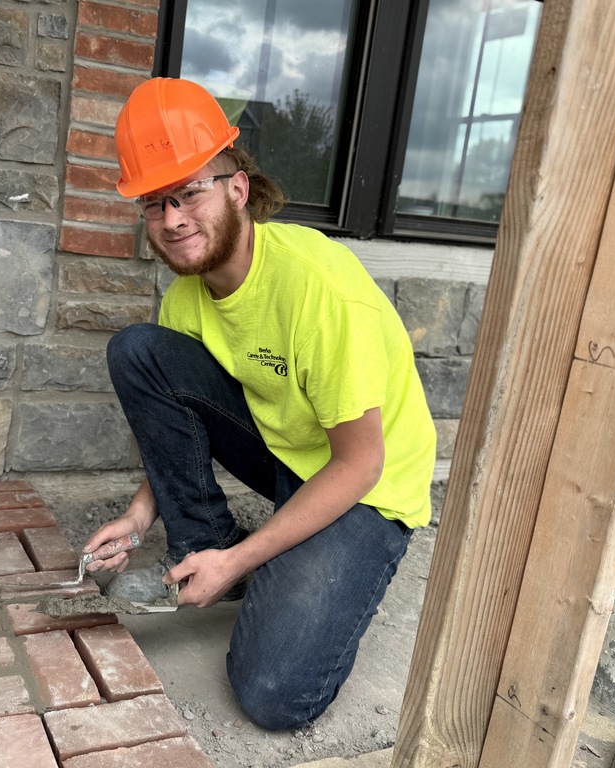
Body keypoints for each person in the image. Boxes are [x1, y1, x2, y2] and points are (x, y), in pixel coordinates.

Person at [82, 77, 436, 731]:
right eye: (155, 203)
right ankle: (207, 544)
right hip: (287, 451)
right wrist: (137, 519)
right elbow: (179, 419)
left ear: (237, 187)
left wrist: (247, 563)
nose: (174, 220)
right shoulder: (187, 296)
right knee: (138, 351)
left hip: (366, 484)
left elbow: (358, 465)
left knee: (274, 693)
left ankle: (243, 559)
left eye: (189, 192)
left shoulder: (319, 291)